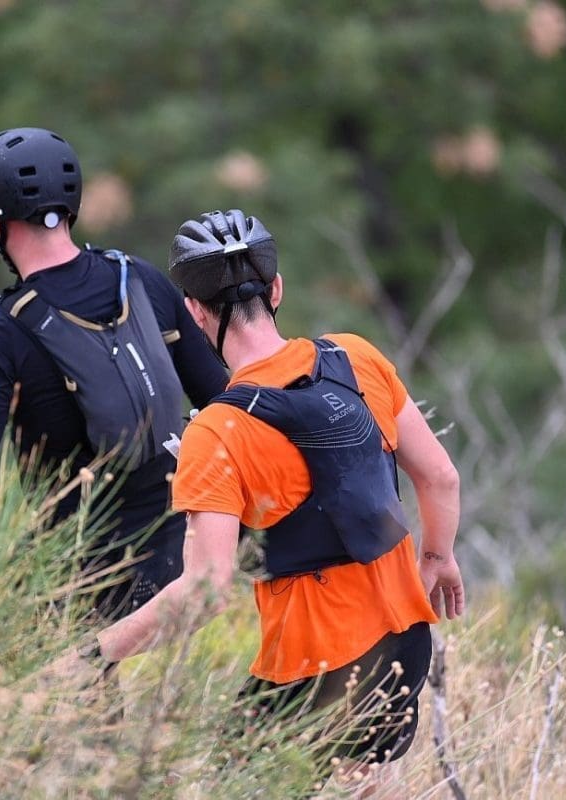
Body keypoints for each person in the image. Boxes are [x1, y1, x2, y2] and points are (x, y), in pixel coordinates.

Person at [53, 209, 465, 796]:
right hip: (405, 639)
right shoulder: (357, 357)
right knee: (359, 784)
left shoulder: (217, 431)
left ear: (196, 313)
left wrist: (96, 653)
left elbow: (205, 590)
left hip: (312, 667)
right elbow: (440, 477)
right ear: (276, 290)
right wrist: (437, 559)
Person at [0, 128, 228, 619]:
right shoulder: (141, 279)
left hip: (79, 580)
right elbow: (223, 403)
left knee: (6, 640)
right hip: (178, 561)